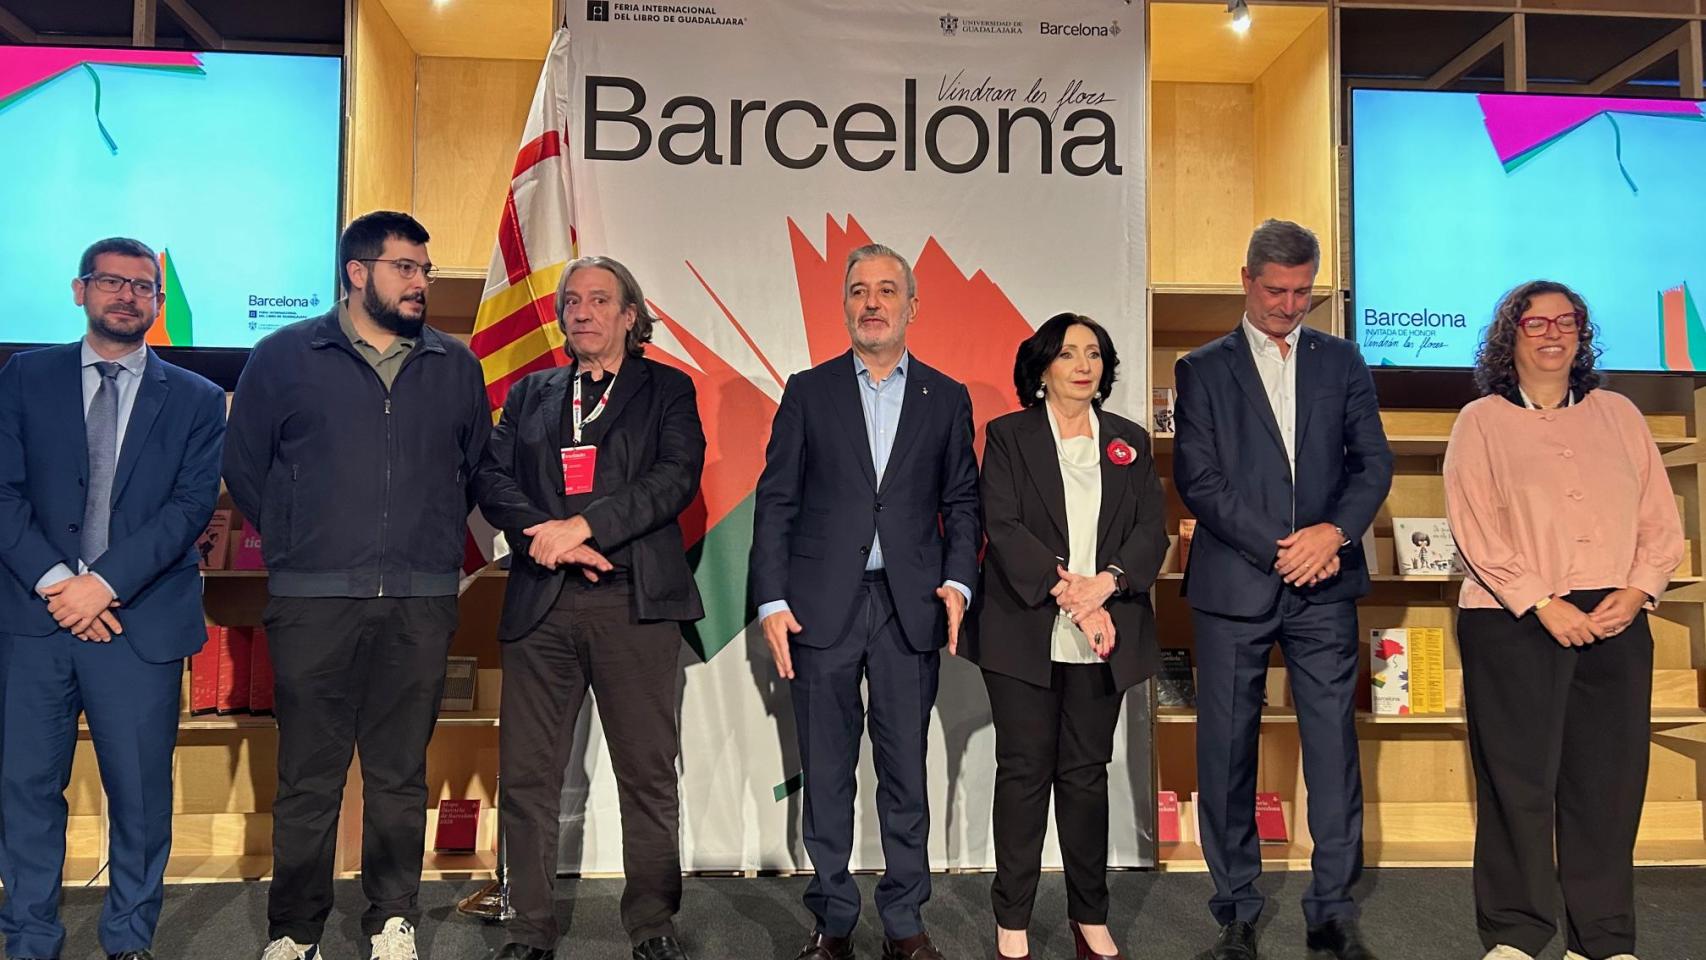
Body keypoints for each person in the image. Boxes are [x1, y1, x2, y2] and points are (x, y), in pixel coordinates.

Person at [223, 211, 491, 960]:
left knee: (399, 775)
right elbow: (246, 468)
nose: (420, 283)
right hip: (313, 601)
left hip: (420, 601)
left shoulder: (454, 365)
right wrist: (301, 544)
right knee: (309, 777)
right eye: (406, 268)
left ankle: (392, 917)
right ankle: (294, 928)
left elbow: (473, 469)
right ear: (356, 271)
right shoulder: (282, 356)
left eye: (425, 270)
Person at [751, 243, 981, 960]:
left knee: (905, 772)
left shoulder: (945, 397)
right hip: (819, 607)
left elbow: (963, 501)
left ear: (913, 306)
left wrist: (958, 580)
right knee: (825, 772)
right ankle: (834, 919)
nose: (872, 303)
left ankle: (905, 922)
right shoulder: (807, 391)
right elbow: (777, 501)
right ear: (845, 304)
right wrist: (770, 600)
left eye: (887, 290)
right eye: (859, 291)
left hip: (910, 608)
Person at [473, 256, 706, 960]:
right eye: (572, 300)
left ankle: (652, 922)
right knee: (530, 774)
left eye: (599, 300)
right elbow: (491, 475)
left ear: (630, 315)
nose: (582, 311)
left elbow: (675, 479)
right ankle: (530, 926)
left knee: (646, 772)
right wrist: (549, 536)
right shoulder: (532, 393)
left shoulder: (669, 388)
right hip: (543, 606)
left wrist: (587, 527)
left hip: (634, 602)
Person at [1173, 219, 1393, 960]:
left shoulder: (1343, 360)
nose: (1288, 305)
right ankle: (1236, 906)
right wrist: (1283, 548)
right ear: (1246, 280)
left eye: (1302, 292)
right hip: (1236, 584)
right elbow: (1199, 480)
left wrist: (1331, 534)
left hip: (1326, 584)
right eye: (1275, 291)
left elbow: (1373, 465)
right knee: (1225, 752)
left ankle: (1331, 908)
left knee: (1332, 748)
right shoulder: (1201, 367)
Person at [0, 237, 226, 960]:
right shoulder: (23, 378)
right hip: (35, 622)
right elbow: (2, 493)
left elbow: (190, 508)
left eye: (143, 287)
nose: (127, 296)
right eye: (111, 282)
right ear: (80, 290)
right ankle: (31, 939)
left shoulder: (194, 398)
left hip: (139, 623)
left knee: (139, 798)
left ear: (159, 304)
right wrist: (60, 585)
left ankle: (128, 940)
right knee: (28, 792)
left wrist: (102, 585)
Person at [1444, 280, 1682, 960]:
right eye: (1536, 322)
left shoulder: (1620, 415)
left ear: (1581, 335)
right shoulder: (1481, 420)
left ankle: (1601, 937)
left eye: (1567, 322)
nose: (1553, 333)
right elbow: (1473, 525)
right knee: (1517, 781)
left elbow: (1659, 522)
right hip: (1512, 618)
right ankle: (1517, 932)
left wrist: (1638, 592)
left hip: (1616, 614)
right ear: (1509, 336)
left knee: (1607, 784)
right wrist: (1543, 601)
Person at [963, 313, 1168, 960]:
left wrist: (1103, 587)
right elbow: (1003, 523)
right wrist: (1070, 594)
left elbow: (1150, 534)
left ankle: (1089, 917)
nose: (1084, 364)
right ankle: (1013, 921)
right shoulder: (1009, 436)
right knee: (1023, 773)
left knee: (1085, 776)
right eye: (1069, 352)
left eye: (1095, 354)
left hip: (1105, 627)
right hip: (1025, 627)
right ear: (1042, 367)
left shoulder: (1129, 442)